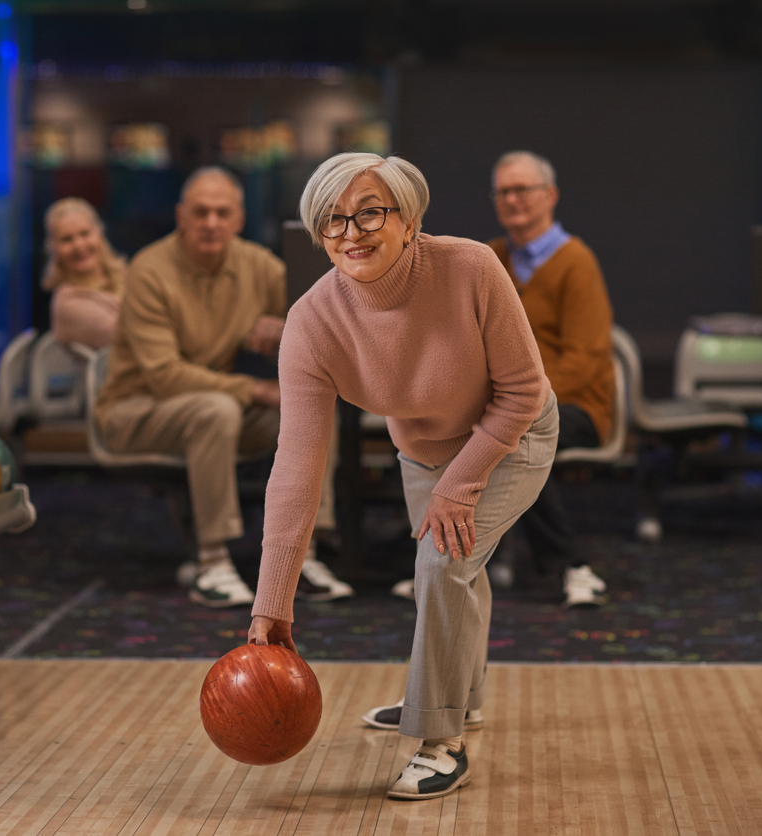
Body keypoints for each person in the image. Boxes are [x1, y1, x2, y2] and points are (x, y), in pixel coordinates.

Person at [247, 153, 556, 801]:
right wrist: (271, 602)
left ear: (409, 220)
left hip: (514, 434)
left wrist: (462, 482)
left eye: (368, 213)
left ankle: (439, 739)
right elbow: (296, 469)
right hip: (422, 449)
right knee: (453, 567)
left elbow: (524, 390)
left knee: (442, 563)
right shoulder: (312, 322)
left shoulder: (470, 266)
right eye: (332, 221)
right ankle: (456, 699)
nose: (350, 233)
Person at [94, 166, 351, 608]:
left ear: (238, 219)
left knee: (310, 409)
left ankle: (302, 557)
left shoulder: (257, 265)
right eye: (200, 212)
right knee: (216, 409)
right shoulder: (149, 270)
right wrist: (255, 390)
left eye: (221, 213)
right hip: (135, 410)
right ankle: (211, 562)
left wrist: (287, 327)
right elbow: (165, 376)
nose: (211, 222)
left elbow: (325, 322)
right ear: (181, 217)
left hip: (216, 408)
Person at [486, 151, 613, 608]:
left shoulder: (576, 262)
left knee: (513, 441)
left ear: (550, 196)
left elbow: (584, 360)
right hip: (505, 402)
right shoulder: (491, 258)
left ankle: (570, 564)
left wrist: (517, 399)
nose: (511, 200)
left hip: (579, 405)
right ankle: (441, 565)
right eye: (503, 191)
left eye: (522, 189)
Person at [41, 197, 126, 350]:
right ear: (54, 248)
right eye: (67, 239)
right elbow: (131, 336)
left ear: (99, 233)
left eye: (85, 234)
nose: (79, 245)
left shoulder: (127, 274)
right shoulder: (68, 304)